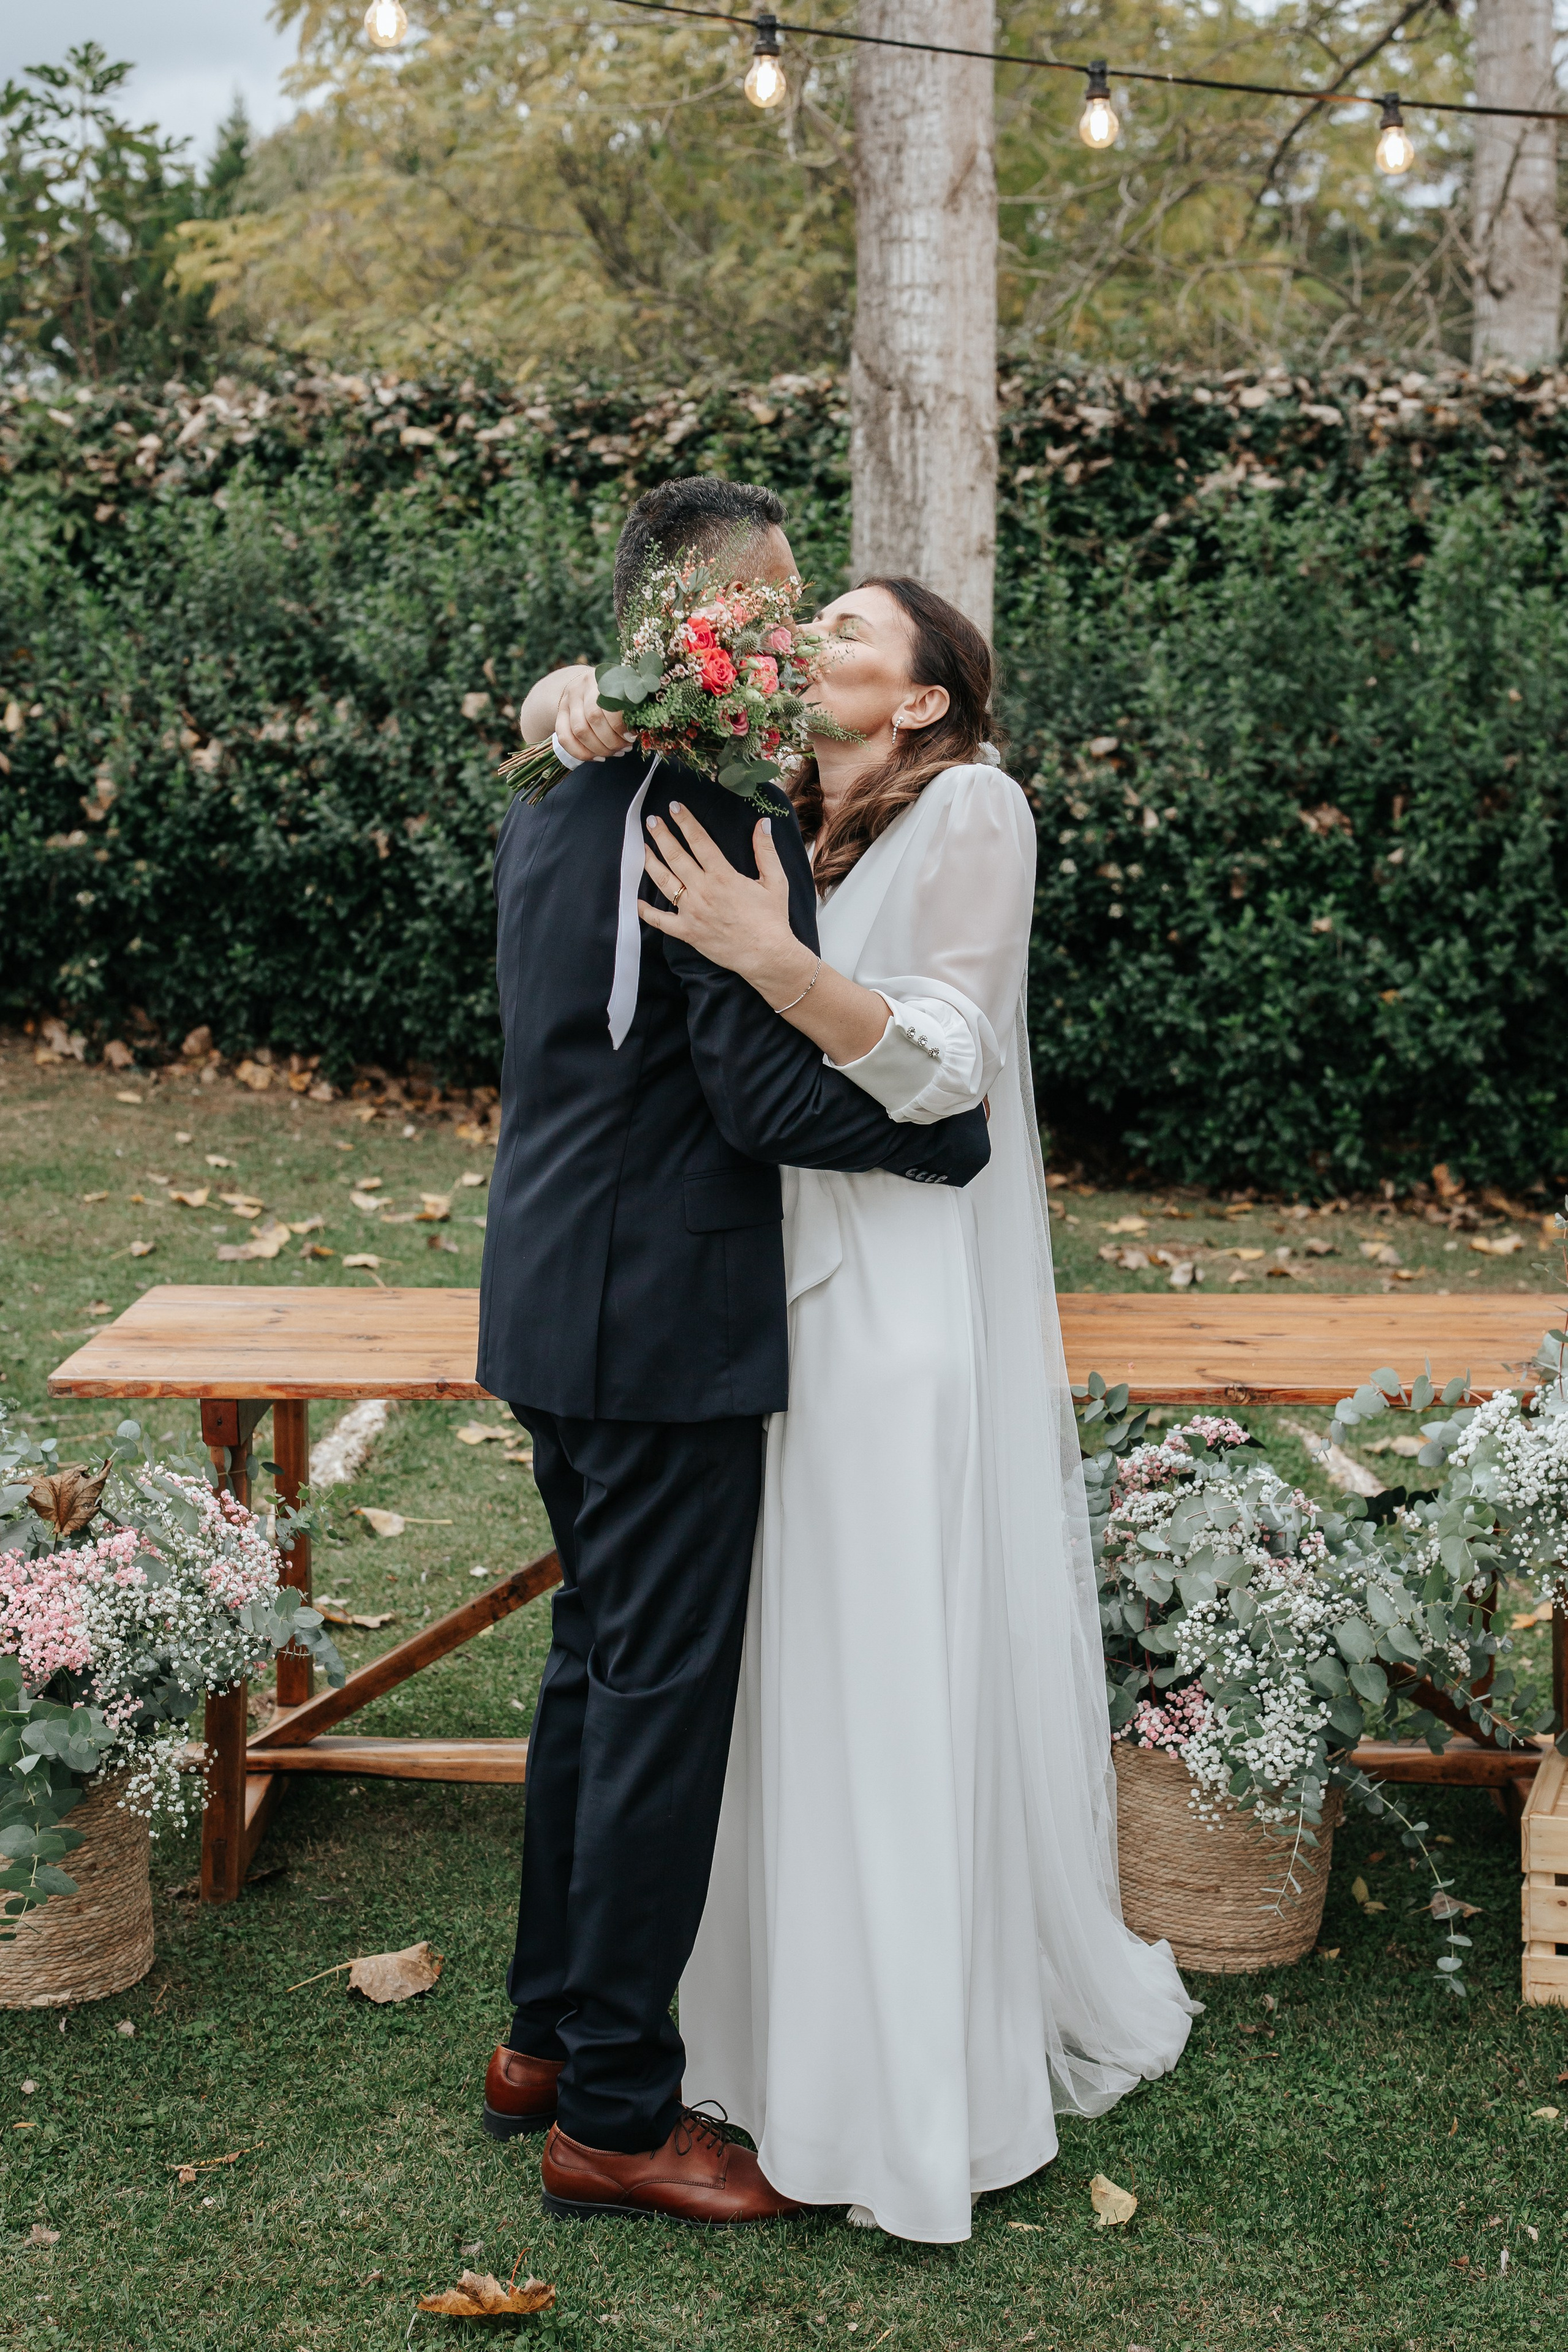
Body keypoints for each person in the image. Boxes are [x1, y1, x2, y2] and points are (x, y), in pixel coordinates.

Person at [630, 574, 1200, 2244]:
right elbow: (583, 718)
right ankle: (776, 2048)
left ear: (926, 698)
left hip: (891, 1302)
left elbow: (949, 1060)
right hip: (775, 1293)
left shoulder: (973, 810)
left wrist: (762, 957)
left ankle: (905, 2104)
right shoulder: (794, 828)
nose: (814, 647)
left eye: (852, 635)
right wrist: (571, 709)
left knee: (883, 1679)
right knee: (792, 1675)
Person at [475, 480, 992, 2230]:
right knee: (658, 1707)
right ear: (702, 621)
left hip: (548, 1293)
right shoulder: (711, 815)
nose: (790, 634)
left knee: (590, 1666)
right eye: (775, 605)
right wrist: (951, 1143)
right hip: (666, 1325)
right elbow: (760, 1100)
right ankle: (619, 2112)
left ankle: (542, 2041)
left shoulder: (561, 787)